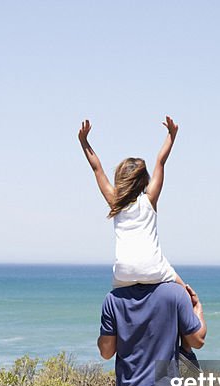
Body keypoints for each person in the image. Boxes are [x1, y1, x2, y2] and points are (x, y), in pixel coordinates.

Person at [78, 117, 186, 289]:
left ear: (120, 178)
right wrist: (171, 135)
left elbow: (97, 168)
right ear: (144, 180)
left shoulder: (116, 203)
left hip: (123, 274)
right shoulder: (149, 200)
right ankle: (196, 309)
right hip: (153, 268)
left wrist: (83, 141)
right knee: (189, 295)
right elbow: (160, 162)